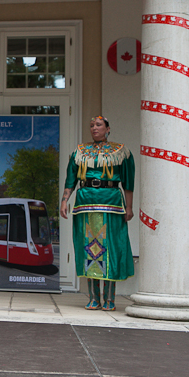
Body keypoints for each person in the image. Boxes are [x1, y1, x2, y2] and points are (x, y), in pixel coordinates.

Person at [60, 116, 134, 311]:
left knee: (111, 249)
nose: (94, 128)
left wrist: (130, 207)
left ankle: (109, 299)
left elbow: (128, 182)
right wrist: (64, 200)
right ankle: (93, 298)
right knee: (89, 250)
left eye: (99, 125)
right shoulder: (80, 152)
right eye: (91, 125)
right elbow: (71, 179)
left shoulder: (121, 151)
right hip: (85, 203)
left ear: (108, 129)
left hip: (112, 203)